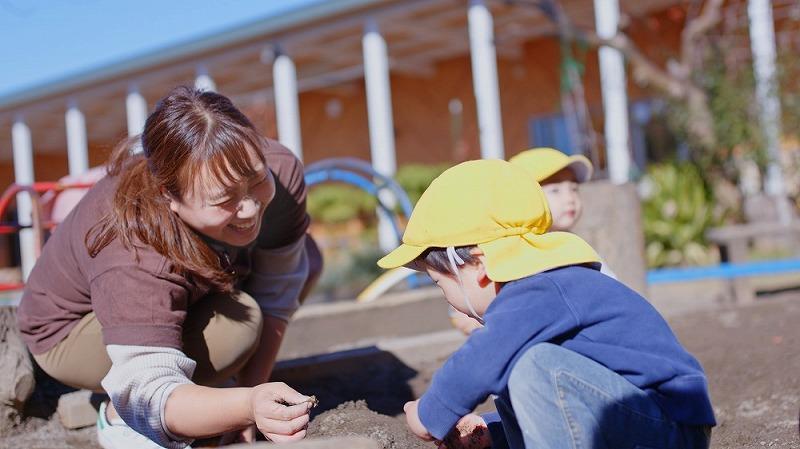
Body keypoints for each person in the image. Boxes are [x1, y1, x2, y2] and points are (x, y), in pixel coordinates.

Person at [17, 86, 322, 449]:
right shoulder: (130, 244)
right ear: (169, 196)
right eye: (224, 200)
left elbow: (279, 287)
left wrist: (250, 393)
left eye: (257, 182)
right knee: (235, 331)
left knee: (308, 256)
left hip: (184, 284)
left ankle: (210, 393)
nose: (251, 209)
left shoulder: (280, 168)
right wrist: (245, 406)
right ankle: (116, 417)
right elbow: (149, 393)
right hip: (71, 329)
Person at [378, 159, 715, 449]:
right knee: (518, 365)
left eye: (441, 283)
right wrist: (493, 431)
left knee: (531, 365)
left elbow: (482, 358)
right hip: (642, 420)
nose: (446, 297)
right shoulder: (538, 292)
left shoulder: (540, 288)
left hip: (668, 427)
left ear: (479, 264)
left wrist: (429, 413)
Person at [450, 147, 614, 335]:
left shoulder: (576, 248)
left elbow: (610, 288)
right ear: (519, 197)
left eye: (574, 189)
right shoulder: (512, 251)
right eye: (555, 190)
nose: (570, 198)